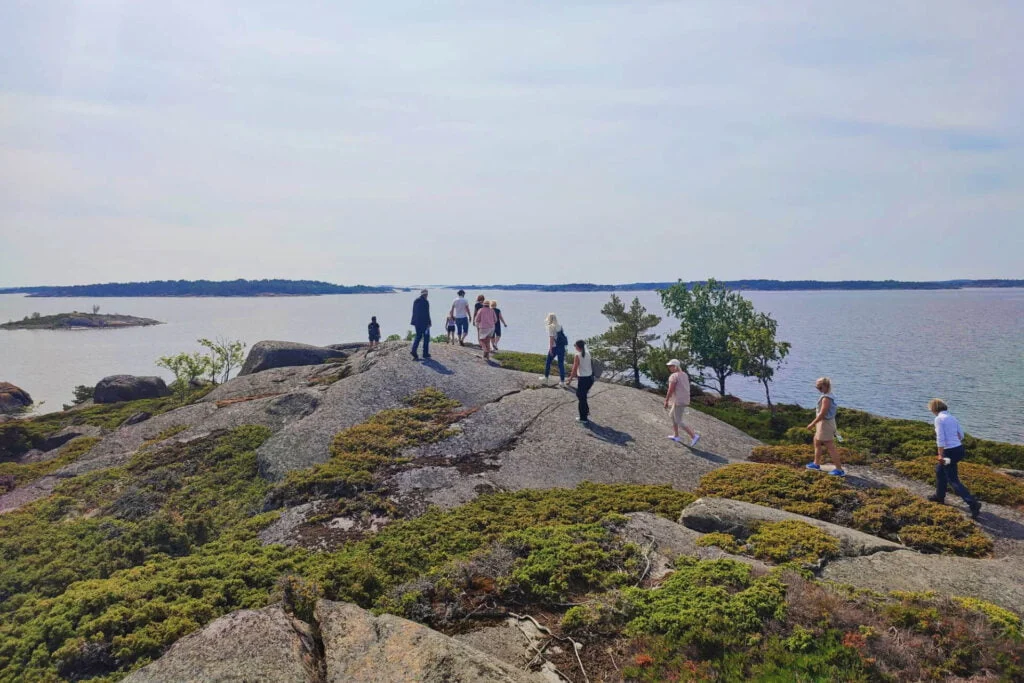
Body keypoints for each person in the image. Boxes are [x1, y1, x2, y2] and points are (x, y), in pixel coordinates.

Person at [927, 399, 982, 519]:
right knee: (940, 471)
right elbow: (961, 435)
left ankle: (973, 503)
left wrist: (940, 454)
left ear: (934, 409)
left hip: (949, 452)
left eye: (931, 409)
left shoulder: (939, 419)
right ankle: (939, 496)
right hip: (959, 450)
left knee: (952, 479)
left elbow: (940, 438)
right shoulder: (952, 418)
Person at [806, 377, 844, 476]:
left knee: (830, 446)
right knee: (816, 442)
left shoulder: (826, 398)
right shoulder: (828, 395)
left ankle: (839, 470)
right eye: (816, 386)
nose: (817, 388)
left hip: (825, 424)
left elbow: (822, 414)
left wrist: (812, 424)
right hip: (825, 423)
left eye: (819, 386)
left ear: (826, 386)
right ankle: (816, 463)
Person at [664, 359, 700, 447]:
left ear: (676, 366)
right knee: (672, 415)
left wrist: (666, 400)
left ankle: (694, 436)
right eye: (669, 366)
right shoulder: (684, 374)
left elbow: (670, 390)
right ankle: (676, 435)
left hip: (679, 401)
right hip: (684, 399)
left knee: (679, 420)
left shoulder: (673, 376)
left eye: (671, 366)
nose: (669, 368)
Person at [566, 339, 594, 424]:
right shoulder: (588, 353)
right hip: (590, 379)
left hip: (583, 379)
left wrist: (569, 380)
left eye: (575, 346)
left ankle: (583, 418)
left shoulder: (577, 355)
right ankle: (586, 411)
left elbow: (574, 369)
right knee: (583, 396)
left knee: (580, 397)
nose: (575, 347)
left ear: (578, 347)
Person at [539, 313, 567, 386]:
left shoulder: (551, 327)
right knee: (561, 364)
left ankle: (546, 377)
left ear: (549, 319)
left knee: (548, 362)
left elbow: (551, 339)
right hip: (561, 347)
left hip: (554, 347)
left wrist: (550, 349)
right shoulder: (560, 326)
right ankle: (562, 381)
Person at [410, 289, 431, 361]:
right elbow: (427, 313)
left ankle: (414, 350)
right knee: (426, 337)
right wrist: (429, 323)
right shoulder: (426, 302)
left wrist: (414, 321)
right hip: (424, 323)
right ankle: (425, 353)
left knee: (418, 336)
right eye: (427, 294)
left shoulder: (416, 301)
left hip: (416, 322)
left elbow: (414, 312)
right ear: (426, 294)